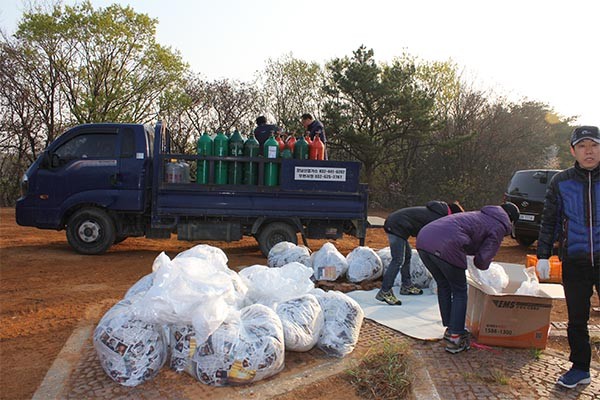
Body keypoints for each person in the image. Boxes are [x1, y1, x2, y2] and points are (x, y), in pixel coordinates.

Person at [536, 125, 600, 389]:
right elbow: (549, 220)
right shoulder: (561, 181)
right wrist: (542, 255)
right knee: (577, 319)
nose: (589, 151)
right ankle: (580, 368)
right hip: (574, 261)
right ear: (573, 150)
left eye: (594, 145)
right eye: (583, 146)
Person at [416, 202, 520, 354]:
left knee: (444, 285)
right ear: (510, 220)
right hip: (446, 245)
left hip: (423, 240)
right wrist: (483, 266)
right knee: (459, 291)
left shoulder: (480, 215)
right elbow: (482, 261)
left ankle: (450, 329)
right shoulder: (498, 225)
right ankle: (456, 336)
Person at [375, 201, 465, 305]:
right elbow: (429, 238)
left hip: (399, 226)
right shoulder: (438, 218)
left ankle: (406, 286)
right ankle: (385, 291)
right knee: (398, 259)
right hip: (396, 226)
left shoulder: (437, 213)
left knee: (407, 256)